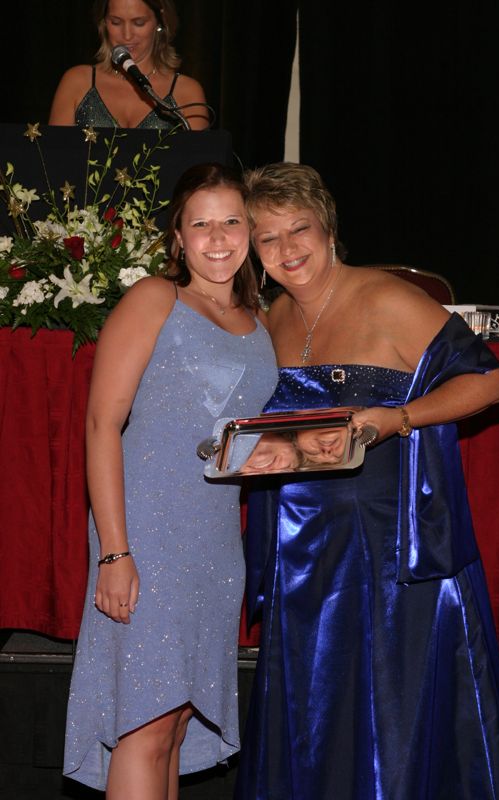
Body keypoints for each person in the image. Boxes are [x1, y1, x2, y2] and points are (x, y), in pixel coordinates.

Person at [234, 162, 499, 799]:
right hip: (304, 553)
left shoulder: (386, 297)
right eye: (268, 238)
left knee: (394, 722)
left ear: (329, 229)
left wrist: (395, 418)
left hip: (393, 551)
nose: (287, 250)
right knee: (316, 716)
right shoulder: (272, 319)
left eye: (299, 230)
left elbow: (490, 380)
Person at [62, 162, 278, 798]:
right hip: (143, 535)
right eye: (200, 223)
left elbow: (227, 436)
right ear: (177, 238)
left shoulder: (260, 323)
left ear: (250, 230)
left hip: (214, 546)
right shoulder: (156, 299)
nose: (217, 237)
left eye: (231, 221)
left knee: (176, 724)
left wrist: (273, 455)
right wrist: (115, 551)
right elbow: (102, 424)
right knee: (145, 723)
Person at [49, 0, 208, 130]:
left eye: (138, 23)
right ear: (104, 24)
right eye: (116, 22)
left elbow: (198, 165)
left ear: (160, 23)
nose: (127, 35)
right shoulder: (77, 82)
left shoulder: (187, 92)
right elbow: (52, 158)